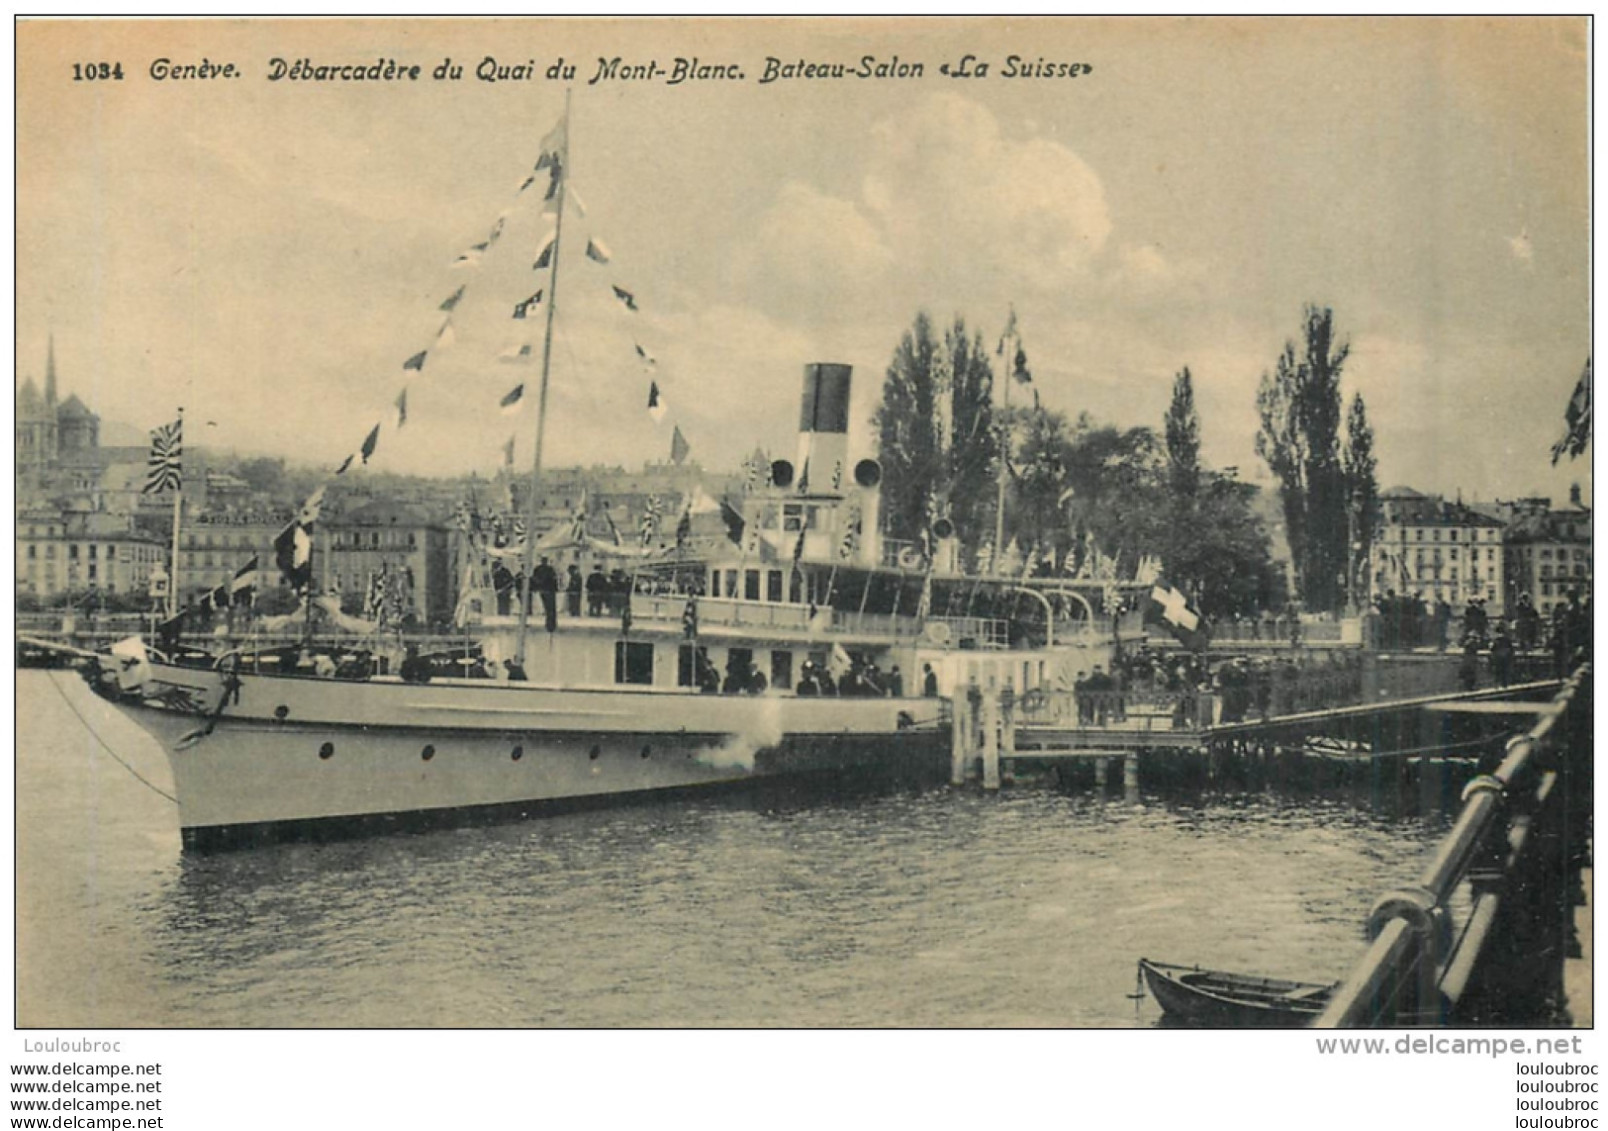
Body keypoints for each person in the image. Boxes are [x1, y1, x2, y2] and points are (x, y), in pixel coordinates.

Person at [532, 556, 559, 633]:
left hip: (544, 590)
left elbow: (534, 579)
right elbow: (554, 579)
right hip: (549, 591)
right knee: (551, 608)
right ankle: (551, 624)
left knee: (549, 608)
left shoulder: (538, 569)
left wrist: (537, 586)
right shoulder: (549, 569)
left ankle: (550, 624)